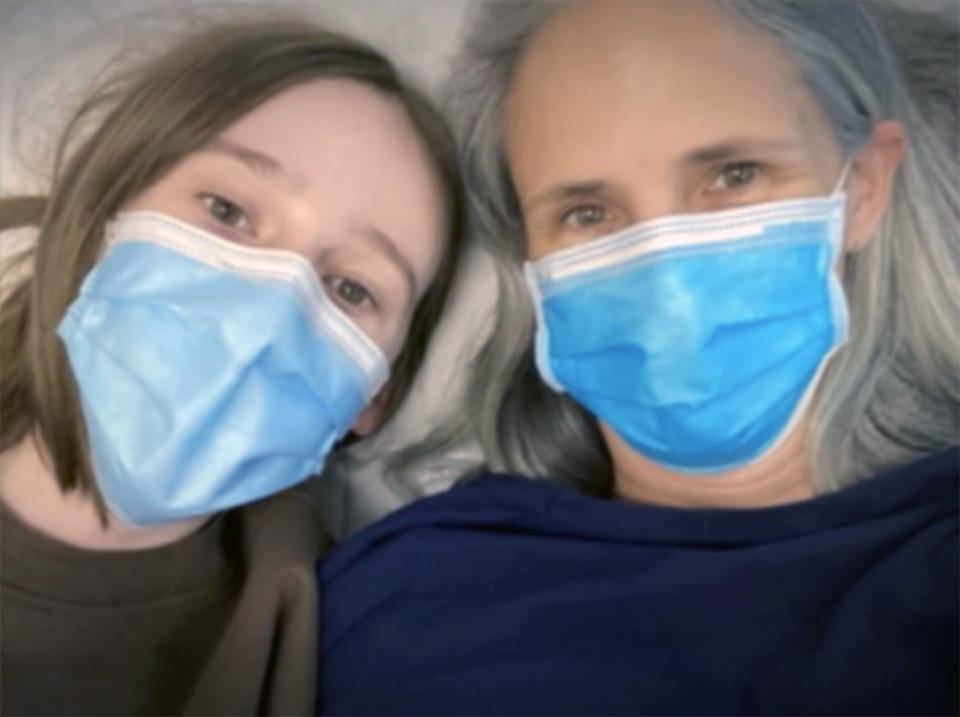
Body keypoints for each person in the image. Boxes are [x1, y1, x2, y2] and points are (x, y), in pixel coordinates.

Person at [318, 1, 959, 714]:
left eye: (734, 174)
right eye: (587, 214)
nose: (665, 267)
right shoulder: (408, 594)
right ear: (529, 263)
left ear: (865, 186)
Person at [0, 18, 463, 716]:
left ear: (372, 399)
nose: (264, 318)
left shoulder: (339, 633)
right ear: (105, 214)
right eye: (227, 210)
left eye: (351, 289)